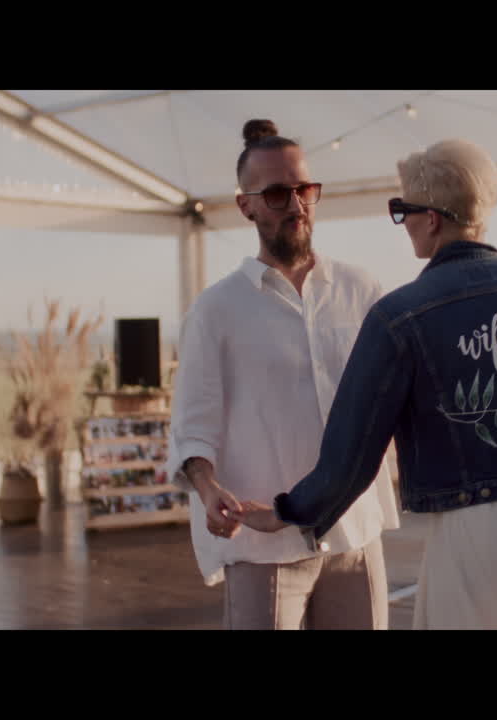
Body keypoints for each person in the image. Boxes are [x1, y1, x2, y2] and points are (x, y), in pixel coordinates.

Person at [237, 138, 497, 630]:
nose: (402, 225)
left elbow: (351, 457)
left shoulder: (398, 317)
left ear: (432, 218)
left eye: (402, 211)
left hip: (479, 535)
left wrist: (288, 510)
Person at [166, 119, 400, 630]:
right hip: (260, 546)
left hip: (354, 534)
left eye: (304, 190)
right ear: (245, 204)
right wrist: (207, 490)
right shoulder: (215, 310)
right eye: (276, 194)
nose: (296, 205)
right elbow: (191, 423)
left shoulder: (362, 291)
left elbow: (394, 401)